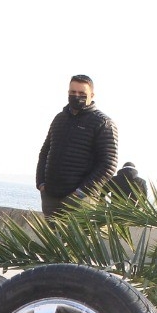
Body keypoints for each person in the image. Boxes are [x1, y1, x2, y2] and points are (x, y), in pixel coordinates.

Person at [35, 74, 118, 216]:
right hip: (50, 197)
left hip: (81, 200)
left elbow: (108, 164)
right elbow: (45, 152)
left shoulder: (103, 123)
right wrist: (41, 183)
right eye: (73, 92)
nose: (77, 96)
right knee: (51, 232)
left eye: (82, 93)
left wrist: (81, 192)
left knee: (78, 232)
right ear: (68, 93)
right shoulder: (59, 119)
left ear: (91, 95)